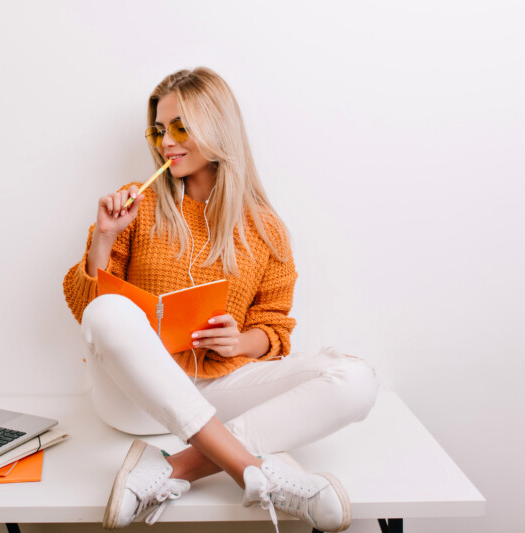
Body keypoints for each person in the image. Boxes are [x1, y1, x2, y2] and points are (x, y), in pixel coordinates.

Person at [63, 67, 378, 532]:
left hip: (215, 390)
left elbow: (274, 329)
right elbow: (84, 310)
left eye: (180, 128)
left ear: (217, 128)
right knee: (108, 310)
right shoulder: (138, 206)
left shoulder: (265, 229)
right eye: (158, 130)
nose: (165, 142)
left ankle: (175, 468)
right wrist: (104, 242)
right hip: (133, 401)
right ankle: (250, 468)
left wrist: (241, 343)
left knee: (355, 379)